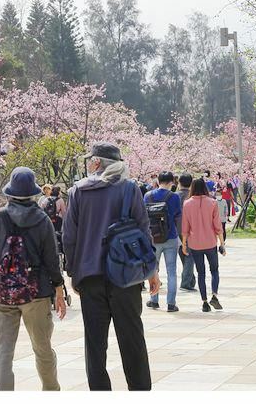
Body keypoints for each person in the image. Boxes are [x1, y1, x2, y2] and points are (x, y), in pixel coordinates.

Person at [62, 141, 159, 391]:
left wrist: (73, 272)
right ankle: (140, 391)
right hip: (126, 277)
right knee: (132, 339)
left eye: (90, 160)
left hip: (90, 276)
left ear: (96, 163)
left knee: (95, 345)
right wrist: (152, 271)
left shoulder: (78, 192)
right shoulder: (130, 189)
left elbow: (69, 237)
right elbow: (143, 230)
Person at [0, 167, 66, 391]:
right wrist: (59, 288)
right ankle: (51, 391)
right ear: (33, 192)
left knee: (3, 351)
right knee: (42, 347)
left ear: (10, 191)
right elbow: (51, 258)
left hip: (2, 291)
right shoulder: (43, 219)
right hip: (37, 292)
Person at [181, 178, 226, 312]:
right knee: (214, 270)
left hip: (195, 244)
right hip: (210, 242)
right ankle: (214, 295)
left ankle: (204, 302)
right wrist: (222, 243)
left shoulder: (187, 204)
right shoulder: (212, 202)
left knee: (201, 273)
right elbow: (218, 226)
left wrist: (184, 244)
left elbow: (185, 227)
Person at [144, 171, 182, 312]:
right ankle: (171, 304)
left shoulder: (148, 196)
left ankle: (154, 300)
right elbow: (178, 216)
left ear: (158, 181)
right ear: (171, 182)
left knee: (153, 269)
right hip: (170, 237)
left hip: (153, 238)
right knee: (171, 271)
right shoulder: (174, 197)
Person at [175, 173, 197, 292]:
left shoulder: (174, 196)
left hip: (177, 229)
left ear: (179, 182)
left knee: (184, 254)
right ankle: (187, 282)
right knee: (189, 255)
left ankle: (190, 280)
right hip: (190, 230)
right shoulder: (192, 196)